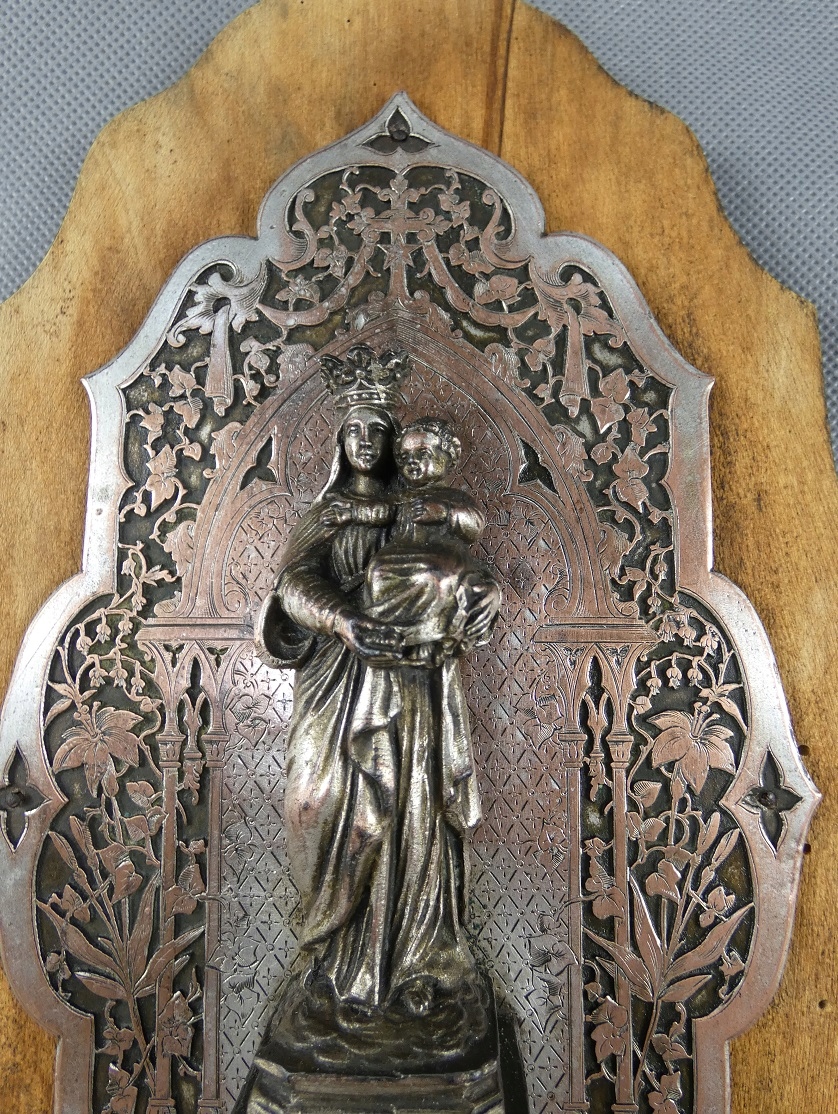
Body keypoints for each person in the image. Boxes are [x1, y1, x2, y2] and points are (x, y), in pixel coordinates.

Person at [253, 347, 502, 1074]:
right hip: (335, 685)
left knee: (409, 816)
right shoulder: (328, 514)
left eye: (378, 431)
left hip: (409, 689)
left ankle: (415, 964)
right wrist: (346, 622)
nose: (367, 441)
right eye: (355, 429)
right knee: (321, 805)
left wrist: (478, 591)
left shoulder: (413, 513)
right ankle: (337, 959)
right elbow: (293, 586)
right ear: (340, 440)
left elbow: (450, 563)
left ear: (397, 444)